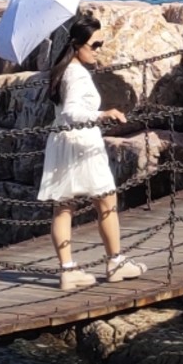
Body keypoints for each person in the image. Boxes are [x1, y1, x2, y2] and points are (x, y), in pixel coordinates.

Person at [38, 15, 148, 291]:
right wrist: (103, 114)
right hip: (82, 143)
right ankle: (115, 262)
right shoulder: (76, 74)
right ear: (77, 44)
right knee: (106, 201)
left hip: (62, 142)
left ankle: (68, 270)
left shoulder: (64, 70)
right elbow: (71, 112)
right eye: (95, 45)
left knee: (64, 207)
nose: (98, 50)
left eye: (100, 44)